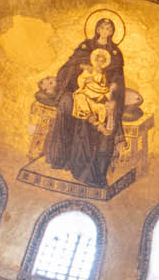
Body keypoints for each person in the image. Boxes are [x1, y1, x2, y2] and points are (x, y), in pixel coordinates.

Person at [42, 18, 126, 185]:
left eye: (109, 28)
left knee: (108, 114)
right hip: (80, 90)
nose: (105, 30)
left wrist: (112, 92)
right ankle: (62, 156)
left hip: (103, 93)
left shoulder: (115, 53)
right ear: (97, 29)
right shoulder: (85, 46)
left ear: (112, 32)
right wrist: (83, 67)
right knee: (67, 103)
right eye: (102, 27)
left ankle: (94, 169)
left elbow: (118, 79)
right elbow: (69, 67)